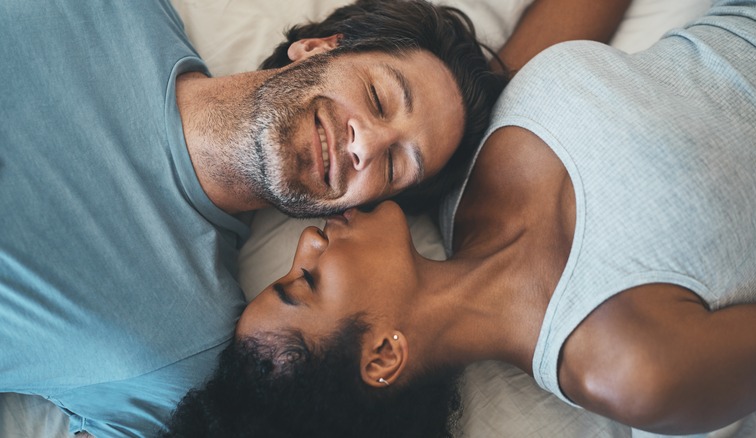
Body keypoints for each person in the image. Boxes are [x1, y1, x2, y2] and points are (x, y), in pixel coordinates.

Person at [172, 0, 756, 436]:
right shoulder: (629, 367)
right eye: (304, 282)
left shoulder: (450, 158)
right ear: (383, 354)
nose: (304, 243)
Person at [0, 0, 506, 436]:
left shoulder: (185, 351)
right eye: (378, 97)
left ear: (360, 205)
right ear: (318, 48)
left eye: (394, 165)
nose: (367, 144)